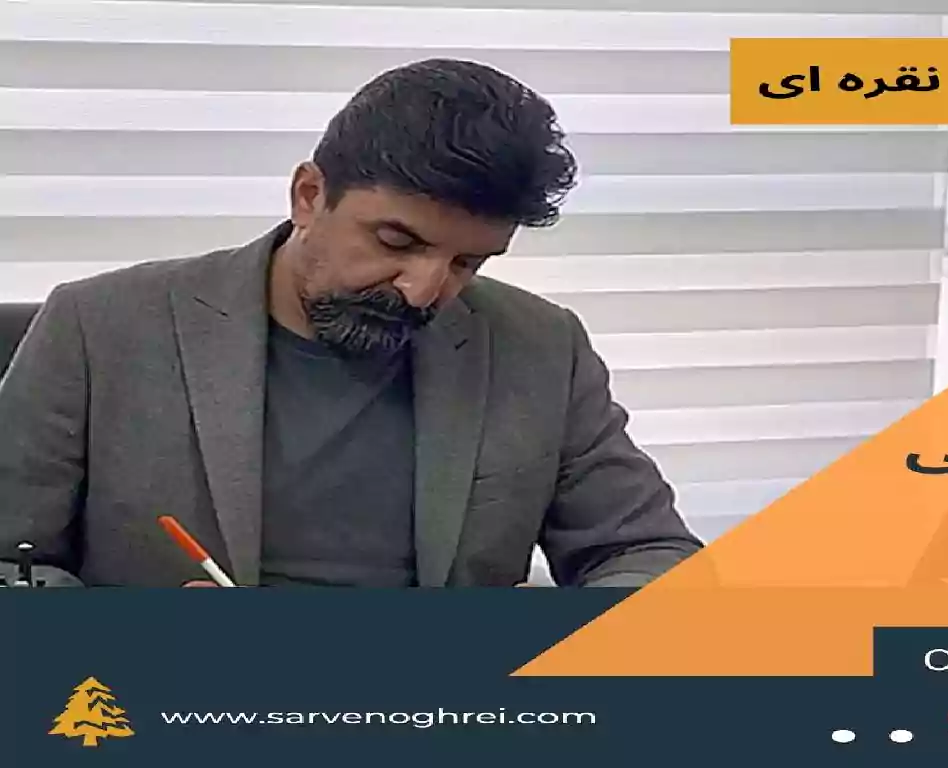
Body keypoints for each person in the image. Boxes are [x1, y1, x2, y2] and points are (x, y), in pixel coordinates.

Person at [0, 59, 703, 588]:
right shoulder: (98, 327)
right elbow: (12, 561)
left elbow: (645, 552)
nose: (423, 290)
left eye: (468, 262)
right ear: (309, 196)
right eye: (397, 242)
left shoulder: (541, 346)